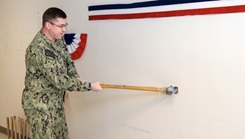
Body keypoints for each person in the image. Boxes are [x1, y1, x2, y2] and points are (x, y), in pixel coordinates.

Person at [21, 7, 103, 139]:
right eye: (61, 26)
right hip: (39, 106)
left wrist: (76, 77)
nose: (64, 29)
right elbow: (59, 80)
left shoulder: (58, 40)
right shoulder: (39, 48)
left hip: (55, 102)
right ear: (48, 25)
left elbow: (68, 62)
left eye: (65, 25)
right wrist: (89, 86)